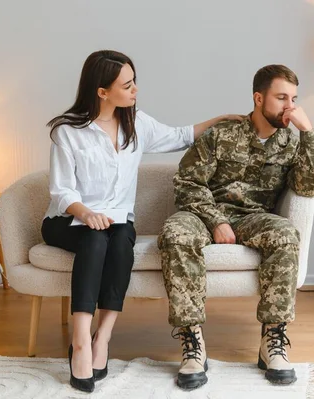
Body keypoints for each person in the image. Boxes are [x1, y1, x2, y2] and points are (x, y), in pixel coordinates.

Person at [41, 49, 242, 393]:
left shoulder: (137, 123)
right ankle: (80, 343)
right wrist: (86, 213)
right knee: (94, 238)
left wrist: (220, 119)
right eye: (127, 84)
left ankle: (102, 338)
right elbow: (61, 191)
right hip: (68, 220)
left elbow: (181, 135)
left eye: (135, 82)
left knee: (120, 242)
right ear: (102, 91)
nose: (135, 90)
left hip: (117, 221)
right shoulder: (68, 131)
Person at [158, 64, 314, 390]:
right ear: (258, 98)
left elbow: (308, 187)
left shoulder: (291, 143)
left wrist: (308, 133)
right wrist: (216, 220)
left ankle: (272, 339)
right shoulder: (222, 134)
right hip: (203, 213)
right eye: (281, 98)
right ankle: (192, 342)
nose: (289, 105)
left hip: (253, 217)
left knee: (286, 233)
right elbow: (188, 183)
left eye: (293, 98)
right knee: (175, 233)